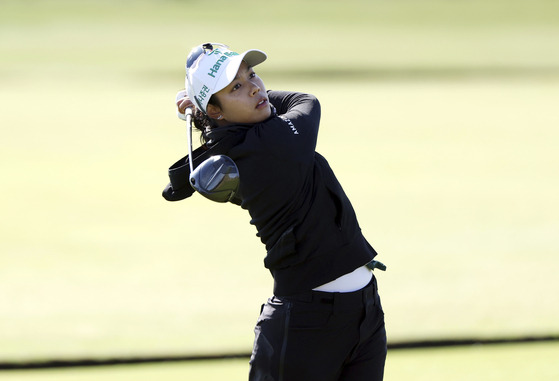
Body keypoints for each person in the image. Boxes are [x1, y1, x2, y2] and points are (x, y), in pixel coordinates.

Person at [163, 42, 387, 381]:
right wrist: (200, 110)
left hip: (362, 312)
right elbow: (305, 101)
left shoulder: (232, 146)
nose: (255, 87)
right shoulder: (277, 141)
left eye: (252, 75)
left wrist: (202, 110)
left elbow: (180, 180)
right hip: (306, 324)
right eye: (236, 86)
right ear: (216, 110)